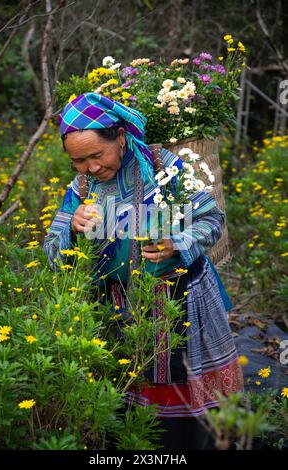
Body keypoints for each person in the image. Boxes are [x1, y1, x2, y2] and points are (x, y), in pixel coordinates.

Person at [44, 92, 244, 450]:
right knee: (126, 402)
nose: (90, 167)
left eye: (96, 155)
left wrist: (176, 244)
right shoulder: (83, 188)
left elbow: (212, 219)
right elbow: (50, 248)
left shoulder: (163, 168)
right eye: (78, 160)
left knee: (189, 404)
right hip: (116, 310)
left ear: (120, 137)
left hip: (180, 305)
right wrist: (71, 229)